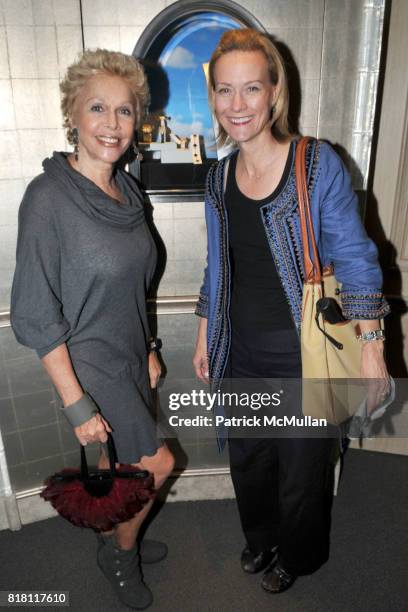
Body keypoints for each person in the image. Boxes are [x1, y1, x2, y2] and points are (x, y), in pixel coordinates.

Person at [193, 29, 390, 594]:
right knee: (249, 464)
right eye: (225, 91)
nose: (237, 105)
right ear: (213, 97)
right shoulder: (216, 178)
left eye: (251, 88)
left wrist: (373, 350)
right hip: (239, 352)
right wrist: (207, 334)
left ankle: (298, 557)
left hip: (306, 354)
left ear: (274, 91)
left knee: (302, 476)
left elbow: (355, 256)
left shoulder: (314, 163)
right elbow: (216, 265)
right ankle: (262, 541)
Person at [11, 49, 174, 610]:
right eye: (98, 108)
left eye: (125, 111)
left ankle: (117, 535)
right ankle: (119, 557)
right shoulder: (48, 198)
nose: (112, 124)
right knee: (157, 464)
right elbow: (33, 309)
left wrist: (149, 344)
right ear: (73, 117)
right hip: (87, 363)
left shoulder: (128, 192)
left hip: (128, 353)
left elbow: (137, 281)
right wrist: (77, 404)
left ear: (137, 121)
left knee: (117, 472)